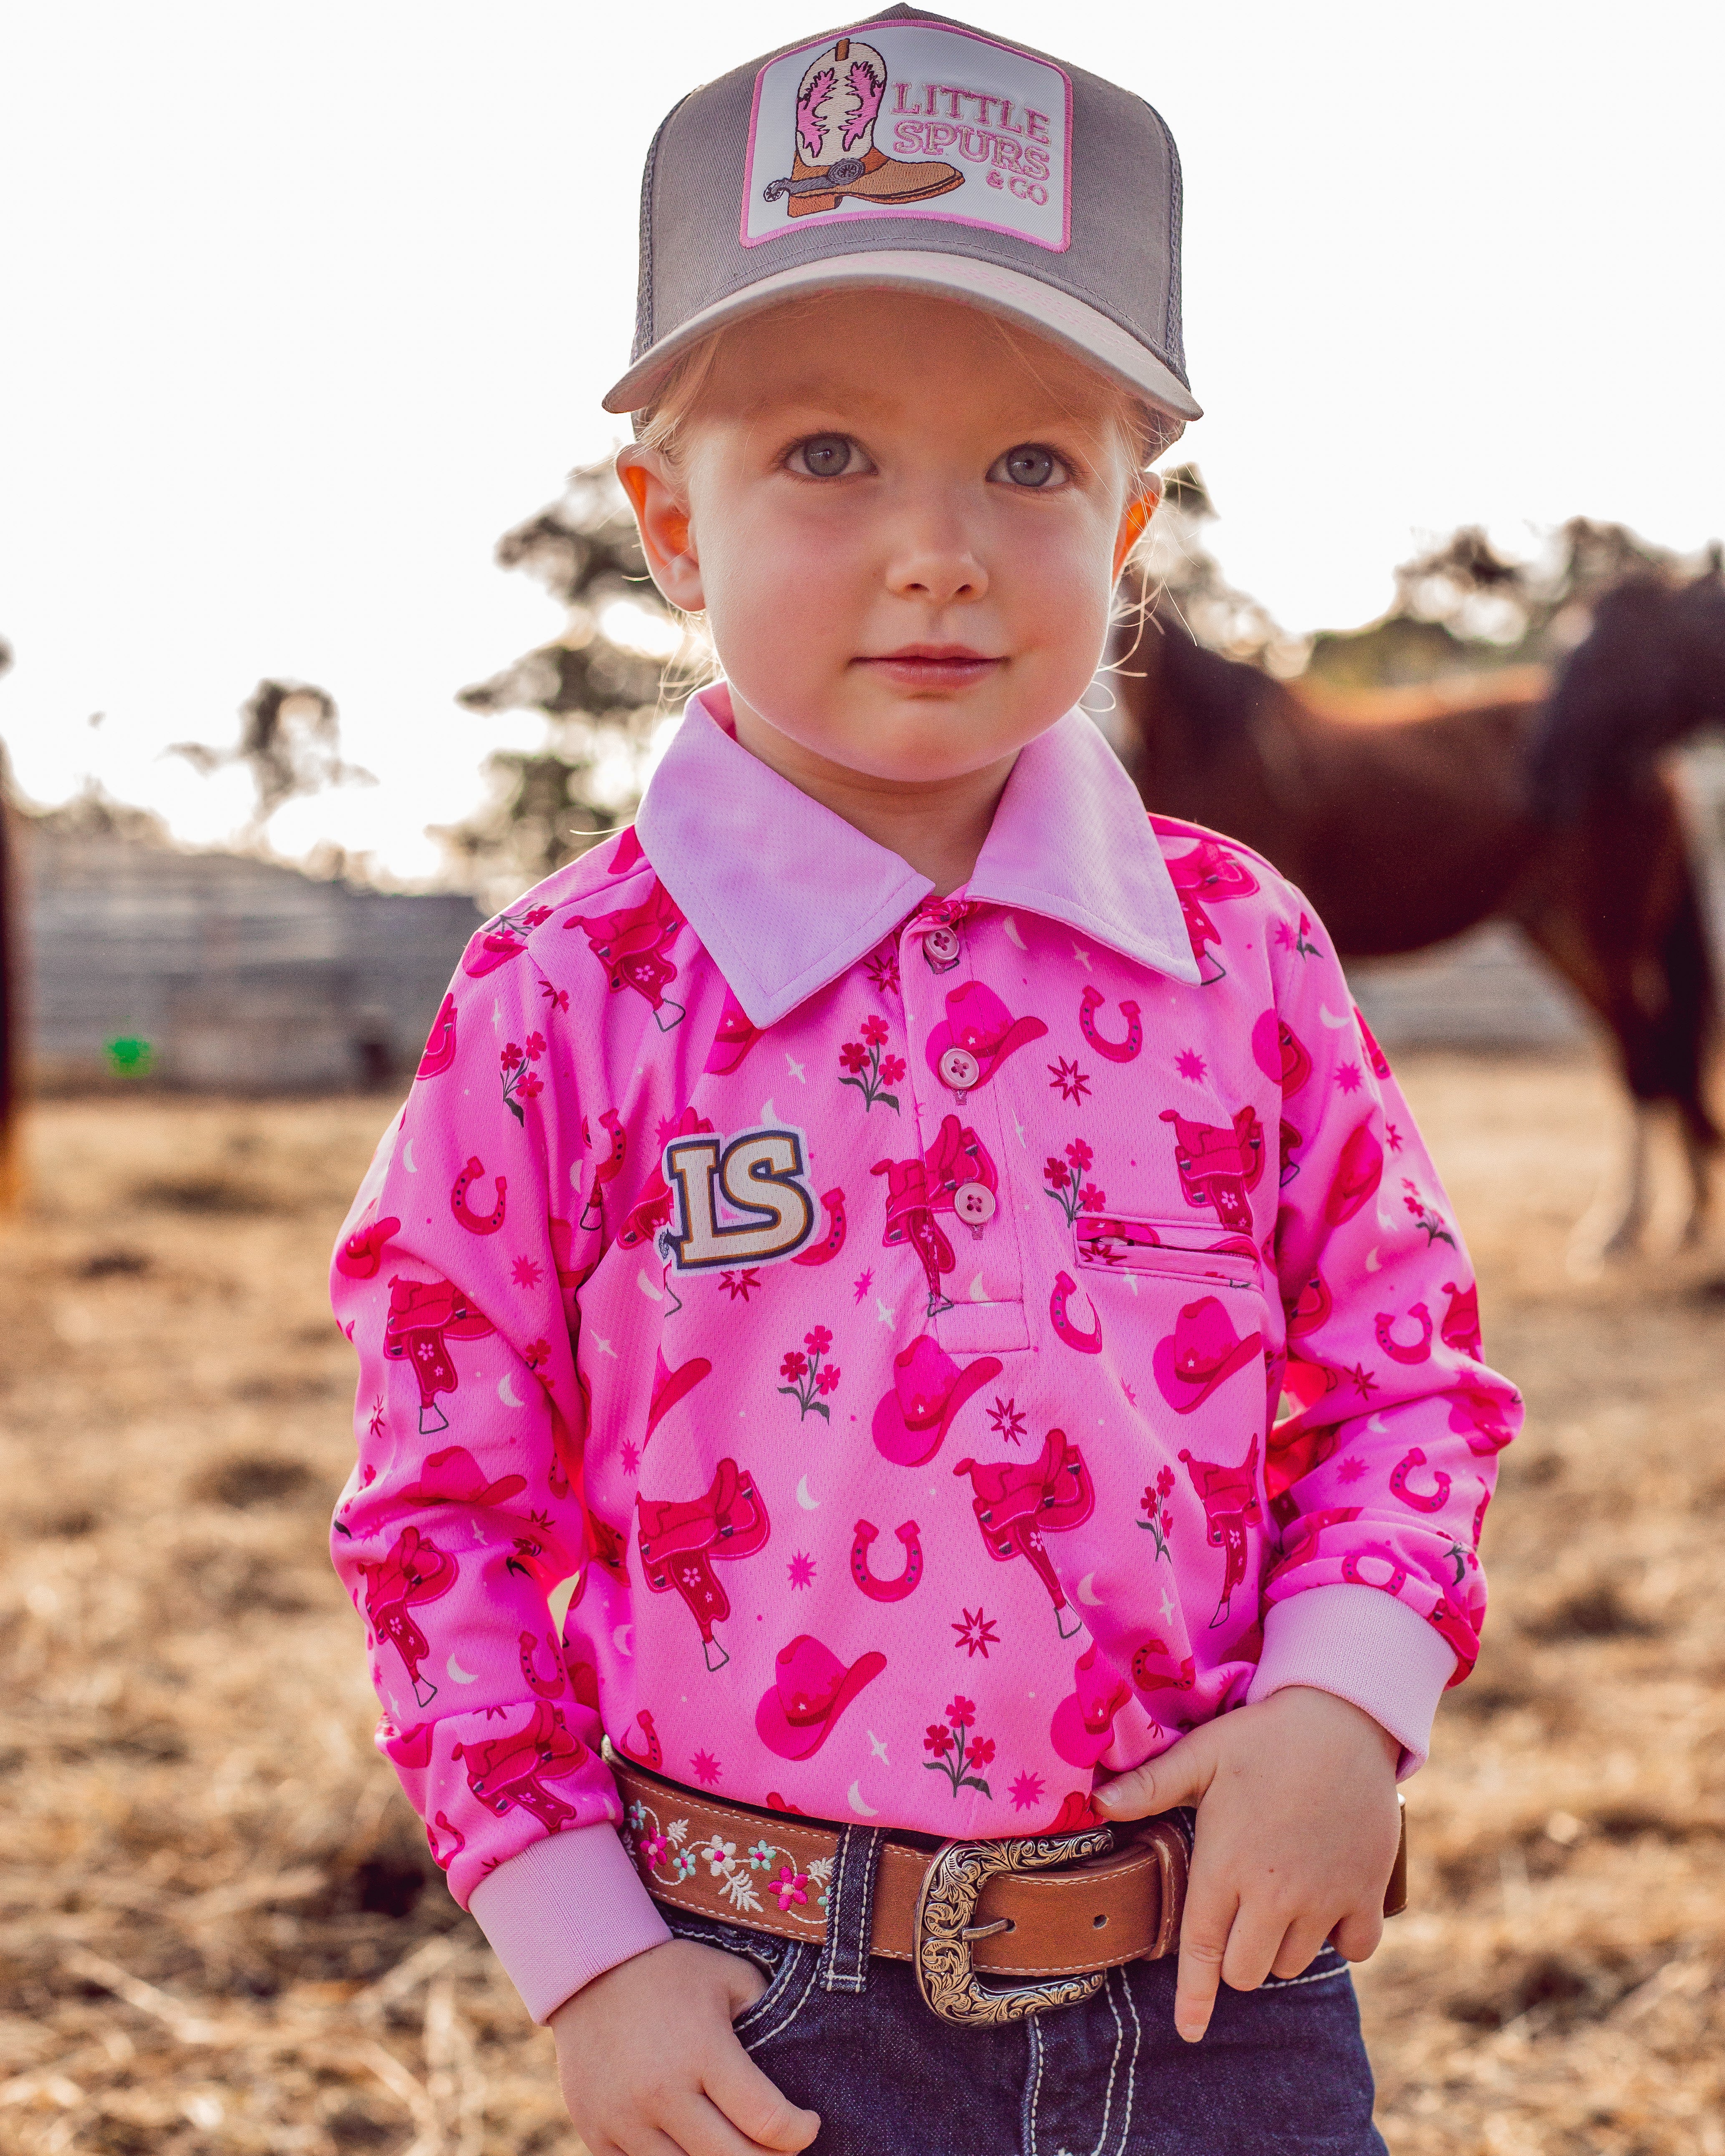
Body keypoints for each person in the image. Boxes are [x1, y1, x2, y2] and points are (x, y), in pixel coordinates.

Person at [329, 9, 1521, 2152]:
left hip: (1218, 1974)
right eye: (824, 453)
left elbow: (1401, 1366)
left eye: (1031, 466)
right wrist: (583, 1950)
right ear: (666, 523)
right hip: (760, 2007)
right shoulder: (564, 995)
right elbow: (443, 1516)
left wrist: (1346, 1700)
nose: (937, 548)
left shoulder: (1237, 948)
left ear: (1129, 518)